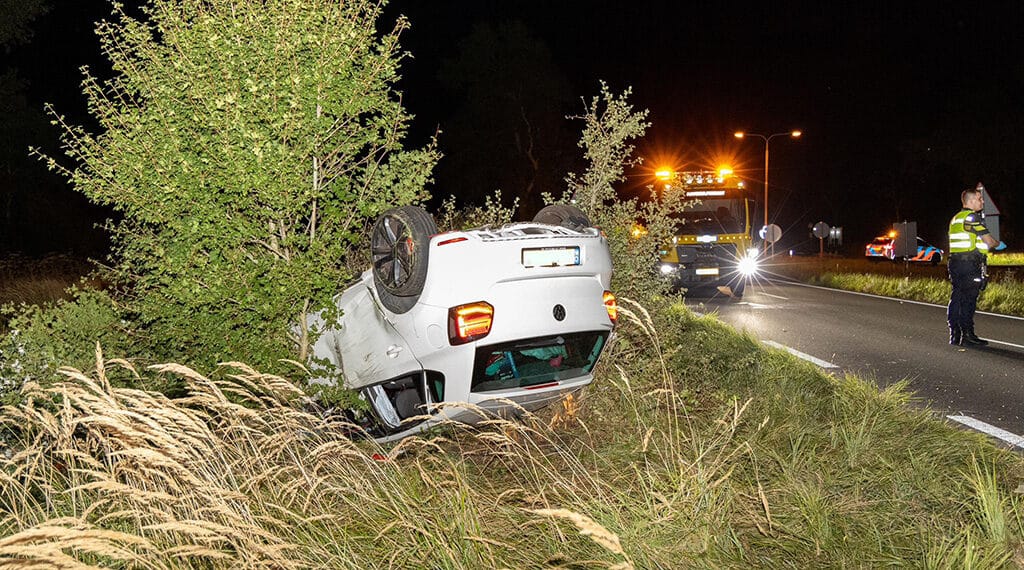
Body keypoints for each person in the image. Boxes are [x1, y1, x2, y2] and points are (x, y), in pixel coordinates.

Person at [947, 183, 1007, 346]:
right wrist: (998, 243)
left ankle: (955, 334)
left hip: (955, 263)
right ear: (971, 201)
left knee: (957, 297)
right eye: (980, 199)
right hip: (968, 265)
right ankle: (967, 335)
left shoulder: (956, 218)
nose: (982, 202)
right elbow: (988, 240)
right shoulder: (972, 218)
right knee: (968, 300)